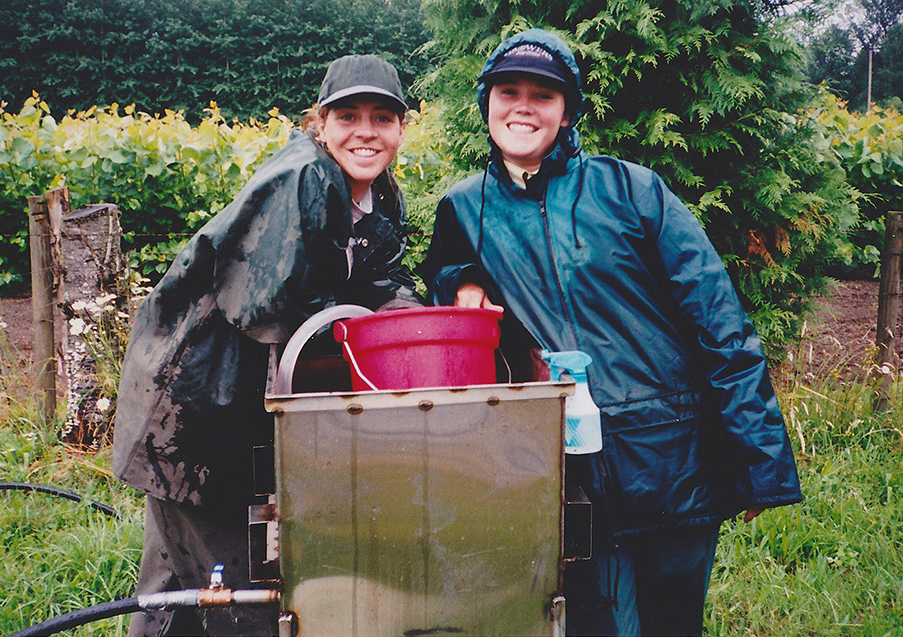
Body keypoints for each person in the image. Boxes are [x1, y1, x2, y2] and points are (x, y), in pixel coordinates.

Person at [419, 29, 802, 636]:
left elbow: (720, 322)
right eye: (508, 91)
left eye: (543, 95)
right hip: (562, 470)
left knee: (671, 625)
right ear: (486, 102)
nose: (523, 106)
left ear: (567, 111)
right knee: (590, 624)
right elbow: (441, 269)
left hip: (669, 457)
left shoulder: (632, 190)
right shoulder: (465, 206)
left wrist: (759, 460)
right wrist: (460, 279)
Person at [113, 54, 422, 636]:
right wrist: (362, 332)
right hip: (193, 403)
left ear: (401, 129)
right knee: (232, 589)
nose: (365, 131)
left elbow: (382, 277)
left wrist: (416, 323)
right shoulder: (300, 179)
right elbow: (268, 306)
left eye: (382, 117)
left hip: (234, 401)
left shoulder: (379, 195)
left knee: (176, 582)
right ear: (320, 123)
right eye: (348, 115)